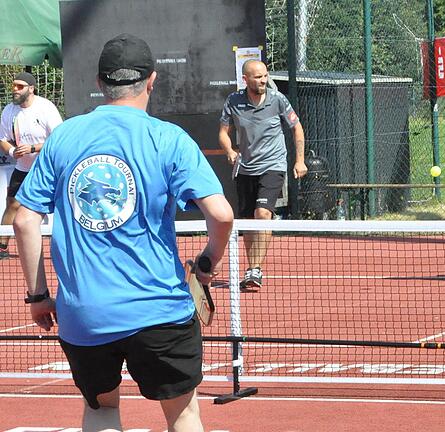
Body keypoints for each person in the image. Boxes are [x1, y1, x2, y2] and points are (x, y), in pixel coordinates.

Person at [12, 34, 233, 431]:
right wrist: (205, 264)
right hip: (161, 311)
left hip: (85, 315)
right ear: (152, 80)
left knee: (102, 410)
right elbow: (221, 215)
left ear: (99, 84)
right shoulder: (169, 139)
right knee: (183, 415)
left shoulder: (63, 137)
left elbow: (24, 220)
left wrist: (38, 295)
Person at [218, 59, 307, 290]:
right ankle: (252, 267)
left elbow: (296, 127)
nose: (263, 81)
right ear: (245, 79)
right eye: (258, 77)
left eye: (265, 76)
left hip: (273, 165)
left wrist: (299, 160)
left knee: (263, 213)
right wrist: (229, 150)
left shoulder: (278, 100)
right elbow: (223, 133)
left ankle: (255, 269)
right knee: (248, 221)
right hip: (245, 168)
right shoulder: (233, 101)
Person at [0, 72, 62, 259]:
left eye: (20, 86)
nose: (15, 90)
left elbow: (58, 139)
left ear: (31, 88)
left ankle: (60, 244)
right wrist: (13, 152)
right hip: (22, 167)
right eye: (14, 86)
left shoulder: (46, 108)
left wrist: (33, 148)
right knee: (12, 203)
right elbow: (3, 139)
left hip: (47, 166)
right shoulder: (9, 110)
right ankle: (2, 246)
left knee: (58, 204)